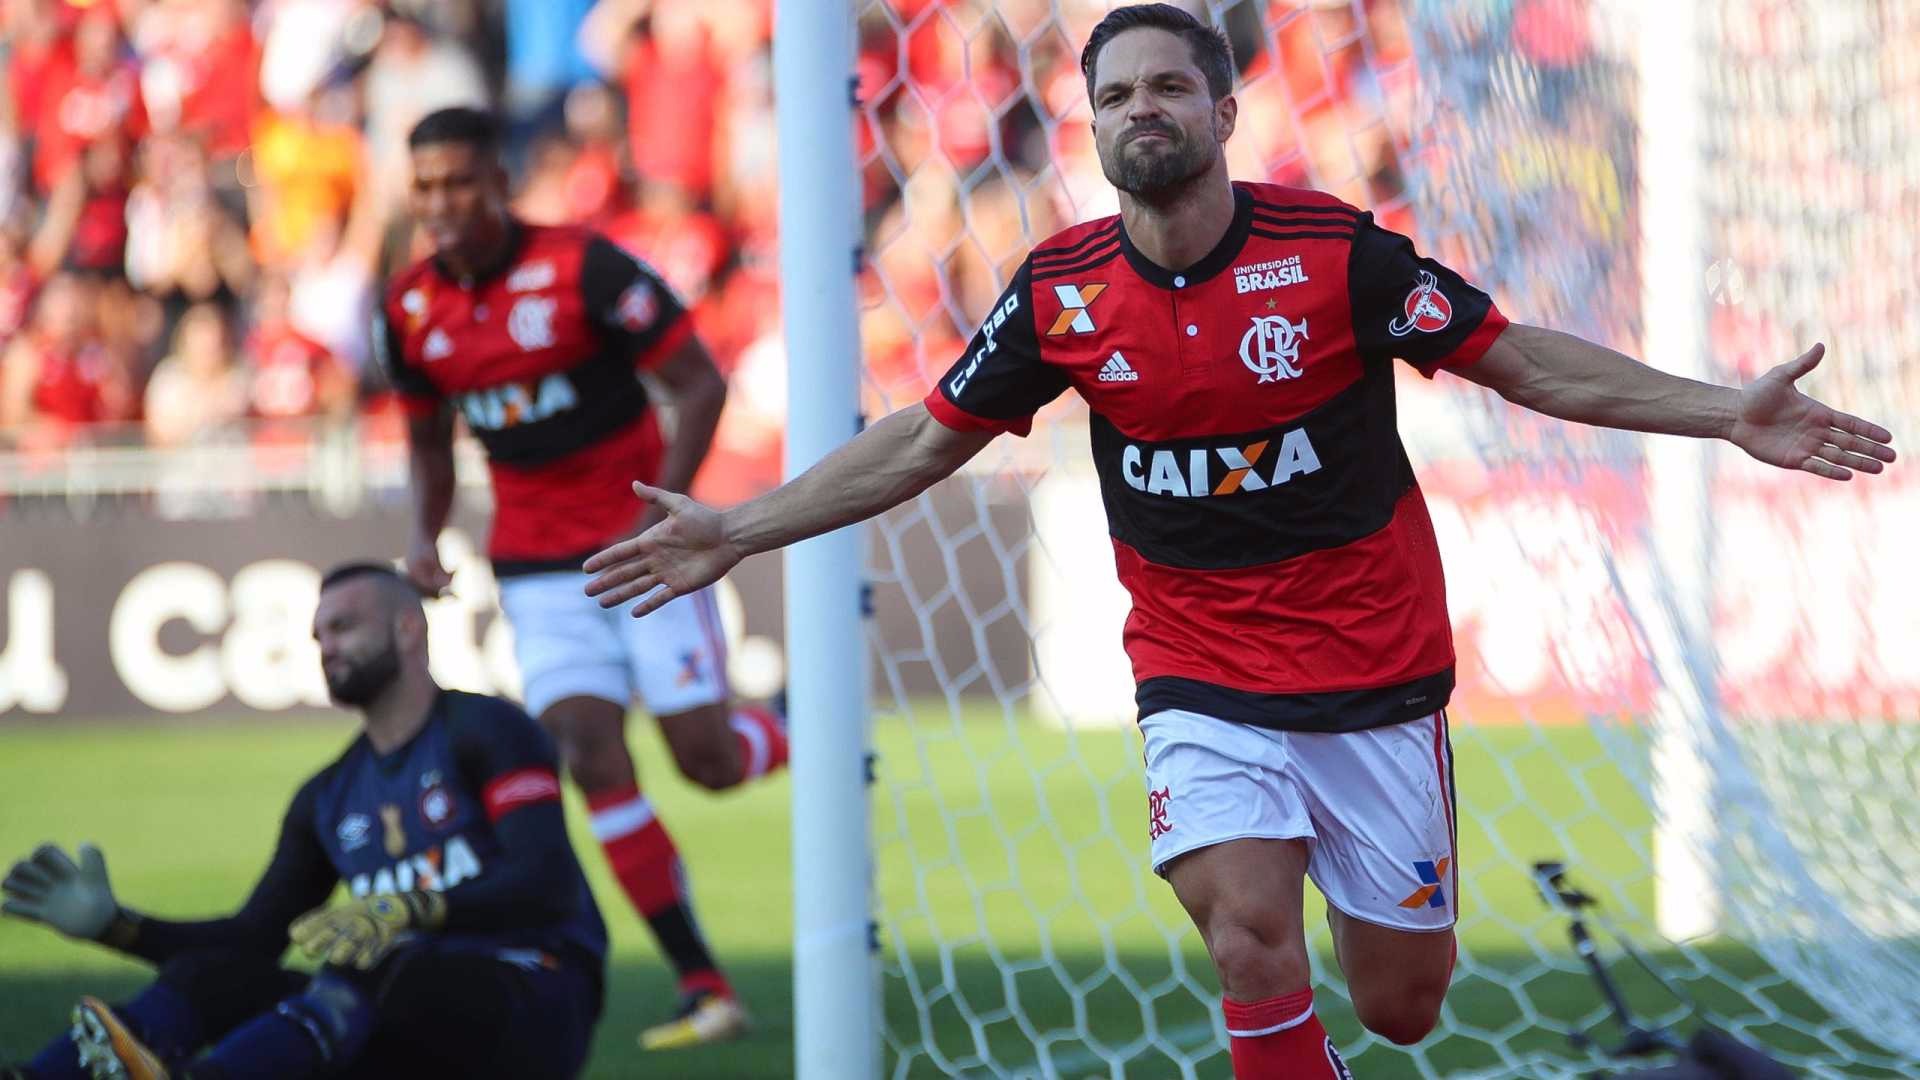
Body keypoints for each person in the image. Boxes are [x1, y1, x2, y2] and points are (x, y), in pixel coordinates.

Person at [580, 6, 1898, 1078]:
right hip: (1198, 674)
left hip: (1374, 670)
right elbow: (925, 440)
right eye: (1112, 97)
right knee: (1252, 939)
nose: (1138, 110)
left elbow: (1522, 363)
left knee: (1401, 1008)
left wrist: (1726, 411)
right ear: (1089, 128)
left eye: (1166, 88)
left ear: (1222, 112)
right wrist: (735, 528)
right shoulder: (1060, 291)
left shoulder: (1333, 255)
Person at [381, 106, 784, 1049]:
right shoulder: (407, 307)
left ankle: (797, 722)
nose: (443, 203)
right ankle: (702, 983)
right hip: (534, 570)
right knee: (582, 746)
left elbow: (700, 382)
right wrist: (424, 537)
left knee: (708, 764)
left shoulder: (582, 266)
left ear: (498, 182)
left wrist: (667, 511)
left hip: (641, 549)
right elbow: (429, 446)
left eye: (461, 182)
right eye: (426, 186)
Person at [0, 563, 606, 1080]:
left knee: (375, 963)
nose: (326, 647)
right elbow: (255, 940)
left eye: (343, 627)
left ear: (407, 628)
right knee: (211, 977)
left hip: (534, 994)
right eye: (318, 636)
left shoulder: (487, 731)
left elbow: (546, 885)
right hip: (401, 1014)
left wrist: (416, 909)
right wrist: (117, 926)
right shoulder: (328, 795)